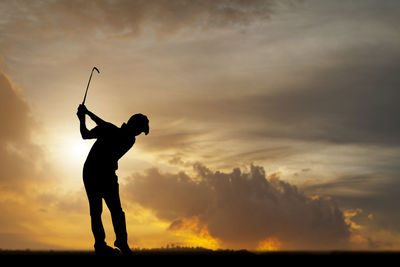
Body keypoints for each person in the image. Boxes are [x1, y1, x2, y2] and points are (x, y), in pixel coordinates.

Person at [76, 104, 149, 255]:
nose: (138, 134)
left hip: (107, 174)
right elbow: (85, 134)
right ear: (132, 125)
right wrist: (83, 118)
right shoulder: (112, 130)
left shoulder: (129, 140)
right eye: (139, 130)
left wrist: (88, 113)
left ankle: (121, 242)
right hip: (92, 172)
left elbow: (109, 129)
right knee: (96, 211)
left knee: (116, 211)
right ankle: (100, 245)